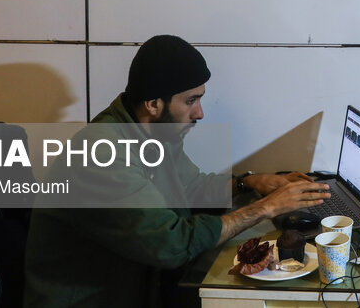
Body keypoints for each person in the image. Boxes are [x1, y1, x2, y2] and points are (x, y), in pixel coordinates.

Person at [24, 35, 330, 308]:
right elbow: (171, 245)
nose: (200, 113)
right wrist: (265, 208)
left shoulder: (154, 132)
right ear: (153, 103)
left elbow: (190, 187)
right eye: (191, 101)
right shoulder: (101, 154)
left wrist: (249, 182)